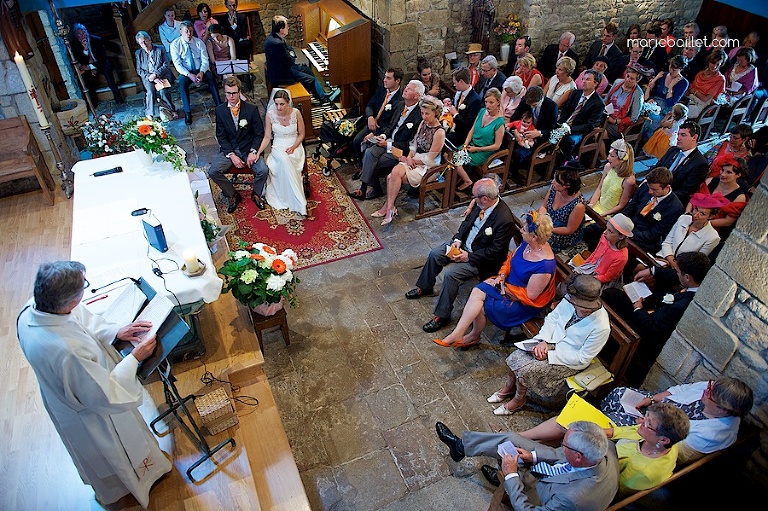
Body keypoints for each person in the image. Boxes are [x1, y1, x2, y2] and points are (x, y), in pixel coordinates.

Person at [16, 261, 172, 508]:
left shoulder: (32, 311)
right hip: (92, 414)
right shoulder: (67, 351)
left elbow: (78, 320)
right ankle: (133, 487)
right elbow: (106, 396)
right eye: (83, 287)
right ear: (68, 301)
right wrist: (135, 358)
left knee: (100, 460)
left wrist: (114, 332)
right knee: (115, 452)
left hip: (65, 401)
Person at [488, 274, 610, 414]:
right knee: (515, 357)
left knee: (527, 370)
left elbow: (583, 357)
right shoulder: (569, 300)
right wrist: (544, 340)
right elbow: (553, 318)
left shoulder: (602, 327)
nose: (581, 309)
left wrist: (550, 354)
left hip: (568, 359)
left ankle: (518, 399)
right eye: (578, 304)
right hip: (550, 341)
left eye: (585, 307)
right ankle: (508, 387)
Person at [406, 177, 515, 333]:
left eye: (475, 196)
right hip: (463, 246)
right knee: (435, 254)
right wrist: (457, 239)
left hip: (481, 260)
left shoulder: (504, 220)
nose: (473, 199)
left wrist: (468, 257)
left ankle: (442, 315)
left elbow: (495, 252)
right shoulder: (481, 204)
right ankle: (425, 287)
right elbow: (466, 224)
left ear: (484, 198)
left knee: (451, 275)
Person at [435, 211, 556, 349]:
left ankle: (472, 335)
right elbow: (510, 261)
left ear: (534, 237)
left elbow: (530, 296)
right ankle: (460, 333)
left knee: (481, 303)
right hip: (507, 285)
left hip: (521, 302)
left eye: (524, 230)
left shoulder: (544, 266)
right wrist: (501, 276)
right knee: (477, 291)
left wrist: (502, 287)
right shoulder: (527, 244)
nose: (521, 231)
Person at [434, 420, 619, 511]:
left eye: (564, 443)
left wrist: (511, 476)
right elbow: (560, 455)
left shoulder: (570, 499)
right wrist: (533, 456)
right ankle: (460, 447)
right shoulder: (605, 447)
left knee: (509, 481)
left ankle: (506, 480)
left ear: (578, 456)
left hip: (545, 495)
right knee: (512, 440)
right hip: (560, 473)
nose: (561, 444)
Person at [603, 251, 711, 386]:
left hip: (648, 333)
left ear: (687, 277)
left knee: (621, 327)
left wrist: (639, 309)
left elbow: (653, 330)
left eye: (677, 271)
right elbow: (674, 275)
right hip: (652, 311)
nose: (675, 273)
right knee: (611, 295)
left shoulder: (683, 305)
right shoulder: (697, 282)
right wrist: (652, 271)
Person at [601, 377, 753, 464]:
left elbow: (670, 446)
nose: (706, 391)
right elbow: (680, 390)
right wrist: (651, 400)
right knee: (618, 394)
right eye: (709, 387)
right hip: (656, 411)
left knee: (610, 420)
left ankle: (600, 438)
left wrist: (646, 424)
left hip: (651, 431)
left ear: (722, 409)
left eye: (709, 394)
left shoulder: (713, 434)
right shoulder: (712, 389)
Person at [372, 95, 445, 225]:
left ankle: (387, 207)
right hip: (415, 160)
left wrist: (414, 161)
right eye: (422, 113)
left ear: (435, 113)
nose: (424, 117)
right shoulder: (423, 123)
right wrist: (410, 156)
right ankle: (390, 208)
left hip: (428, 167)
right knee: (394, 173)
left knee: (391, 177)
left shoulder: (439, 132)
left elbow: (431, 157)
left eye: (427, 113)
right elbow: (414, 143)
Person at [347, 80, 424, 201]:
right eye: (406, 87)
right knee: (368, 149)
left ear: (417, 96)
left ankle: (372, 189)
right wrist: (382, 135)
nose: (405, 89)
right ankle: (365, 189)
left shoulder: (419, 115)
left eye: (409, 89)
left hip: (399, 150)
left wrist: (388, 144)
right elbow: (390, 126)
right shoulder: (400, 105)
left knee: (372, 160)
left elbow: (409, 142)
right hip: (388, 141)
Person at [209, 76, 268, 213]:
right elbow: (221, 136)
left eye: (234, 93)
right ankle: (233, 194)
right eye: (228, 93)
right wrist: (232, 155)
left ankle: (256, 193)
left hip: (248, 148)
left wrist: (253, 151)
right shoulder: (220, 111)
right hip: (230, 149)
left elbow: (259, 133)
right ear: (225, 92)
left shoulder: (251, 109)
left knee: (263, 170)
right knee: (213, 171)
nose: (231, 96)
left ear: (239, 92)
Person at [633, 193, 724, 279]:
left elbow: (695, 262)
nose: (696, 215)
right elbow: (667, 242)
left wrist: (674, 265)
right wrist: (670, 259)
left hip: (681, 270)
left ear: (711, 217)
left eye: (702, 213)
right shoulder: (683, 218)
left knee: (649, 279)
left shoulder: (712, 237)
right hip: (664, 256)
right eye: (696, 209)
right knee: (639, 267)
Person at [255, 88, 307, 217]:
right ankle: (296, 200)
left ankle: (296, 200)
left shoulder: (296, 113)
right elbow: (267, 137)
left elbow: (302, 134)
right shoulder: (270, 115)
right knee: (284, 160)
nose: (278, 107)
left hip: (294, 146)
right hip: (278, 146)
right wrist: (258, 152)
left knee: (287, 159)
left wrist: (294, 147)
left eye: (282, 104)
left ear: (288, 102)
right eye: (276, 103)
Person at [612, 166, 684, 254]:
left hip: (643, 239)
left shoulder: (675, 208)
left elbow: (654, 233)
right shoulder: (645, 187)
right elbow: (632, 206)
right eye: (649, 187)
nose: (650, 191)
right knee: (600, 229)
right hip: (627, 225)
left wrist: (628, 234)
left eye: (654, 189)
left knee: (617, 245)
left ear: (667, 187)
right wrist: (620, 220)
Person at [264, 15, 334, 104]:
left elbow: (289, 49)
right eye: (286, 26)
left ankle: (320, 95)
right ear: (281, 30)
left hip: (282, 68)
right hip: (281, 74)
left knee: (308, 70)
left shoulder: (274, 37)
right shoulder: (277, 43)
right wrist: (291, 55)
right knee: (310, 79)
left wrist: (290, 53)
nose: (288, 28)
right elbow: (289, 61)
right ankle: (319, 100)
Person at [454, 88, 506, 191]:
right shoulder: (482, 111)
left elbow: (497, 145)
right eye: (486, 102)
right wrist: (465, 144)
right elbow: (472, 129)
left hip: (484, 151)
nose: (488, 105)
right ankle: (460, 178)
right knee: (451, 154)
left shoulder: (499, 122)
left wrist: (476, 149)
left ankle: (467, 181)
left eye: (491, 102)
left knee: (455, 160)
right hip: (472, 145)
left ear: (498, 102)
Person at [170, 20, 221, 125]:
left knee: (211, 78)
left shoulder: (199, 42)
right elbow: (177, 64)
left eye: (190, 31)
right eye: (186, 31)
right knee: (182, 83)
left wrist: (202, 72)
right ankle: (187, 112)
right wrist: (189, 75)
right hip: (187, 71)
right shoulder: (175, 45)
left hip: (200, 69)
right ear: (181, 32)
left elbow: (205, 59)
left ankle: (219, 106)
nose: (189, 34)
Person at [351, 68, 404, 166]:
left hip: (382, 130)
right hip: (371, 123)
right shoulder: (382, 89)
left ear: (397, 81)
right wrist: (370, 117)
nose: (384, 80)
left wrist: (375, 133)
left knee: (364, 142)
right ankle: (360, 163)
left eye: (388, 78)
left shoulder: (400, 100)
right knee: (356, 141)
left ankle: (365, 166)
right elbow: (370, 105)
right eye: (385, 77)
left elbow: (391, 124)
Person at [567, 213, 634, 290]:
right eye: (606, 228)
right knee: (572, 275)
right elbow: (594, 254)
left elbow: (607, 277)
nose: (605, 232)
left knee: (583, 288)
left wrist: (587, 278)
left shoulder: (622, 257)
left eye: (610, 231)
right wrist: (582, 266)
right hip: (592, 266)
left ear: (621, 236)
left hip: (601, 278)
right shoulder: (604, 237)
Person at [655, 120, 709, 206]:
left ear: (694, 137)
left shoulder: (700, 163)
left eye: (683, 135)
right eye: (678, 134)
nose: (678, 138)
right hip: (654, 189)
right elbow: (656, 169)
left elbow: (686, 192)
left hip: (670, 200)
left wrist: (662, 194)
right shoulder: (673, 150)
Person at [556, 70, 606, 163]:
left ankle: (561, 165)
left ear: (595, 83)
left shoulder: (598, 103)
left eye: (587, 79)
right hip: (566, 124)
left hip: (579, 131)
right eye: (583, 79)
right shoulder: (576, 93)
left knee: (569, 141)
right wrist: (562, 123)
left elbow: (590, 125)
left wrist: (570, 130)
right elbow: (565, 110)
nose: (583, 81)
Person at [71, 23, 123, 106]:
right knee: (87, 79)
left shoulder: (97, 40)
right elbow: (80, 59)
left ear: (87, 32)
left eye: (84, 32)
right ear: (76, 36)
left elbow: (102, 58)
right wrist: (85, 50)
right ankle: (93, 102)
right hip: (87, 65)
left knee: (107, 71)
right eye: (79, 34)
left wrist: (91, 67)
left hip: (100, 63)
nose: (83, 36)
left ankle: (118, 98)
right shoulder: (74, 45)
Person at [539, 166, 586, 255]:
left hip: (561, 235)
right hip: (548, 223)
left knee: (537, 240)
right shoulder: (554, 187)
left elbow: (569, 229)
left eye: (556, 181)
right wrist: (540, 220)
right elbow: (543, 207)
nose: (552, 182)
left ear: (567, 185)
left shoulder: (578, 205)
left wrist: (548, 229)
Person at [507, 85, 558, 165]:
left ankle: (514, 172)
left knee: (518, 153)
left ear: (541, 99)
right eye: (530, 105)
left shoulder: (551, 106)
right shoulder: (525, 100)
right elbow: (514, 118)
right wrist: (515, 132)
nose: (531, 107)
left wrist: (539, 133)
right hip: (520, 133)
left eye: (534, 105)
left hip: (537, 139)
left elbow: (552, 130)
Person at [642, 56, 689, 139]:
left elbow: (670, 102)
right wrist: (650, 99)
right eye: (670, 67)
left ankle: (646, 142)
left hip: (666, 110)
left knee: (653, 119)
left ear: (680, 69)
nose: (671, 70)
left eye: (674, 69)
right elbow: (652, 91)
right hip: (654, 104)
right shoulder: (663, 75)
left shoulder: (683, 83)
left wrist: (670, 87)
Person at [134, 31, 176, 120]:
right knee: (150, 92)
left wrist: (156, 75)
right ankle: (149, 114)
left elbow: (166, 65)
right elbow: (139, 70)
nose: (144, 44)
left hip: (162, 75)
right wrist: (151, 77)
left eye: (145, 41)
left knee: (163, 91)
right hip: (148, 78)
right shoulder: (138, 53)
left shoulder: (160, 49)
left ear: (149, 40)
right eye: (141, 43)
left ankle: (171, 110)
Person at [590, 139, 636, 216]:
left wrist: (601, 215)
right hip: (596, 205)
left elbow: (621, 205)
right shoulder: (608, 167)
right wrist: (590, 206)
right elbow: (599, 188)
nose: (608, 158)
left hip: (608, 214)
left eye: (612, 156)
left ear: (622, 160)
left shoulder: (628, 181)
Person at [444, 67, 484, 148]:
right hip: (454, 127)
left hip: (463, 135)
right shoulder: (460, 94)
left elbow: (467, 126)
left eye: (455, 82)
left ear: (461, 81)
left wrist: (455, 114)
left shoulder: (475, 100)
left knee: (440, 138)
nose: (454, 85)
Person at [684, 50, 727, 119]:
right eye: (713, 63)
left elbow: (705, 98)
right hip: (690, 99)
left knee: (681, 113)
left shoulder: (720, 79)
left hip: (703, 106)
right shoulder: (700, 74)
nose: (715, 67)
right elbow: (689, 90)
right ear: (709, 61)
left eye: (718, 64)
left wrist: (694, 91)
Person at [603, 67, 644, 140]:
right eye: (627, 76)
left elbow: (633, 118)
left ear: (636, 81)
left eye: (631, 79)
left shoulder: (638, 94)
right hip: (605, 114)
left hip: (617, 124)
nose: (628, 80)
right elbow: (606, 99)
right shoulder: (617, 82)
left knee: (598, 134)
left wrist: (615, 121)